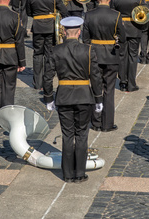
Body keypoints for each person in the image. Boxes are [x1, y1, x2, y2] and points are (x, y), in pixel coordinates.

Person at [43, 16, 103, 183]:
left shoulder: (56, 50)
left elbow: (47, 76)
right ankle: (80, 173)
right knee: (82, 135)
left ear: (64, 32)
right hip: (84, 96)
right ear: (79, 32)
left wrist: (48, 98)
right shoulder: (88, 50)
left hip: (64, 96)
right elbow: (96, 77)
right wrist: (99, 98)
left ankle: (68, 174)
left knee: (67, 135)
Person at [83, 0, 124, 132]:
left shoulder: (89, 15)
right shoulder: (116, 15)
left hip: (94, 55)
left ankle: (96, 122)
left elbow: (85, 39)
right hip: (111, 56)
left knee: (96, 88)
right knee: (109, 90)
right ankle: (107, 124)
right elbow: (123, 37)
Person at [26, 0, 68, 89]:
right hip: (50, 28)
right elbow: (64, 12)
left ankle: (37, 83)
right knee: (49, 54)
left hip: (37, 27)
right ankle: (47, 81)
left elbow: (29, 13)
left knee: (37, 54)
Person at [111, 0, 146, 92]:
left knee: (121, 56)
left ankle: (123, 82)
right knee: (133, 56)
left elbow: (112, 15)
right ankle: (131, 83)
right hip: (134, 28)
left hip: (120, 29)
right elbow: (145, 14)